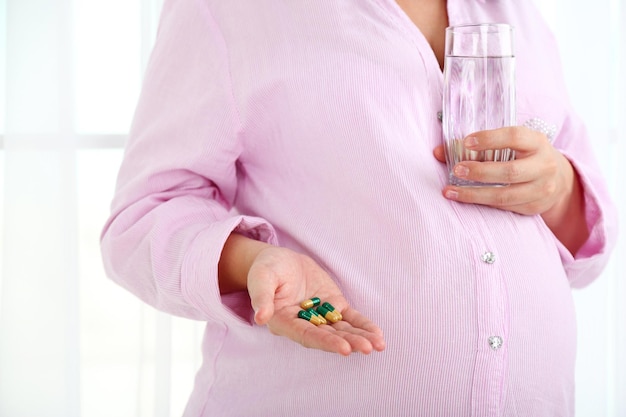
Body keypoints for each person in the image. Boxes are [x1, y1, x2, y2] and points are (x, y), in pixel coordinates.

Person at [100, 0, 618, 415]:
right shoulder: (228, 10)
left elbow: (586, 240)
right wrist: (251, 260)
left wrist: (558, 189)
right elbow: (144, 216)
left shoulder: (519, 13)